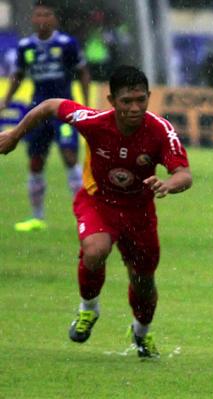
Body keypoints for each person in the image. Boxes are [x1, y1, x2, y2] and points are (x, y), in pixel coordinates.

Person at [0, 65, 192, 359]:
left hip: (139, 213)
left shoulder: (160, 130)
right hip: (98, 202)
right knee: (95, 249)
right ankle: (88, 309)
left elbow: (184, 174)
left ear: (149, 97)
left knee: (143, 282)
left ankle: (140, 332)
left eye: (141, 99)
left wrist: (168, 183)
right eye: (126, 101)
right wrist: (15, 134)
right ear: (111, 100)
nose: (134, 107)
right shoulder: (93, 121)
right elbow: (51, 105)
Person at [0, 0, 91, 232]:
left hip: (63, 111)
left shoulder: (66, 44)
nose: (42, 19)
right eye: (38, 15)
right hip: (37, 113)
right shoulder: (26, 46)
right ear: (33, 18)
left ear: (54, 19)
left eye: (46, 15)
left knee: (70, 156)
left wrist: (88, 103)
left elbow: (83, 72)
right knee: (36, 161)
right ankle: (37, 217)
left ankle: (86, 215)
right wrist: (7, 100)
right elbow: (18, 75)